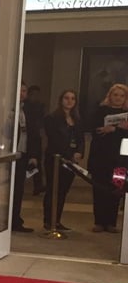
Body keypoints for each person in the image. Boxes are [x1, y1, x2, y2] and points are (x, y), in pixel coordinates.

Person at [41, 90, 84, 232]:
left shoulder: (77, 119)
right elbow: (54, 139)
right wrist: (68, 154)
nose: (69, 101)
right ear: (61, 100)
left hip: (71, 161)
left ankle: (57, 220)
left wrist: (79, 152)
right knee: (53, 189)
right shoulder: (51, 118)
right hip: (56, 158)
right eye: (66, 98)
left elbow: (80, 139)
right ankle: (49, 221)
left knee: (63, 191)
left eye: (72, 98)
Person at [88, 83, 128, 233]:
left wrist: (114, 129)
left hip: (121, 159)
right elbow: (94, 130)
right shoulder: (101, 111)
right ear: (110, 96)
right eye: (115, 95)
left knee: (116, 188)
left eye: (122, 96)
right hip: (101, 158)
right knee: (99, 189)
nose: (118, 98)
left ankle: (111, 222)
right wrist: (110, 130)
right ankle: (99, 221)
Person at [11, 81, 36, 232]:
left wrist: (33, 155)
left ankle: (16, 219)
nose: (22, 93)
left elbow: (33, 134)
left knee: (19, 189)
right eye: (19, 90)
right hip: (10, 153)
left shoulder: (29, 110)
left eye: (24, 91)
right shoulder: (8, 108)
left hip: (23, 152)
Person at [25, 85, 46, 195]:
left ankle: (38, 185)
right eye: (33, 94)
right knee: (28, 162)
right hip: (27, 137)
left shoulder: (40, 106)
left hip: (36, 137)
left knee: (37, 162)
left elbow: (41, 123)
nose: (36, 97)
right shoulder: (26, 107)